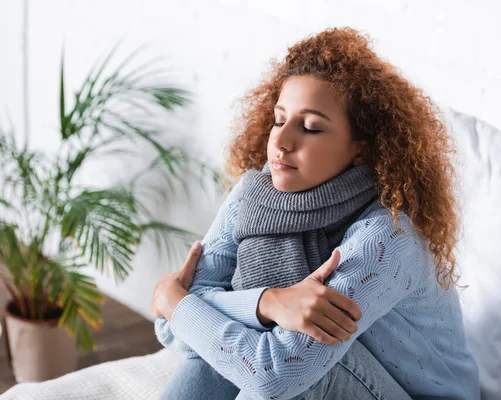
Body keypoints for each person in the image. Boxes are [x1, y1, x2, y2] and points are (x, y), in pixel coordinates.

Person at [150, 27, 480, 400]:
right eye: (279, 119)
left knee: (290, 365)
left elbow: (272, 377)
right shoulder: (254, 195)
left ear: (361, 149)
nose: (282, 140)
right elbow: (173, 331)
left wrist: (173, 298)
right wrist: (267, 303)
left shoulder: (388, 236)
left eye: (309, 127)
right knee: (216, 350)